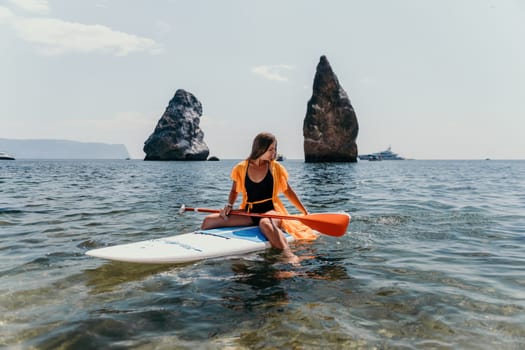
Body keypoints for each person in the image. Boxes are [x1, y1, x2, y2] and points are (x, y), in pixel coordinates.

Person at [201, 132, 317, 260]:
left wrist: (304, 212)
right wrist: (229, 205)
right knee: (208, 221)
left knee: (265, 224)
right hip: (250, 212)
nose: (274, 153)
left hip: (272, 211)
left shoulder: (275, 168)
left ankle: (289, 255)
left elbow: (288, 191)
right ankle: (204, 250)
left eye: (275, 149)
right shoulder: (241, 168)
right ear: (260, 148)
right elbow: (234, 191)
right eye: (271, 149)